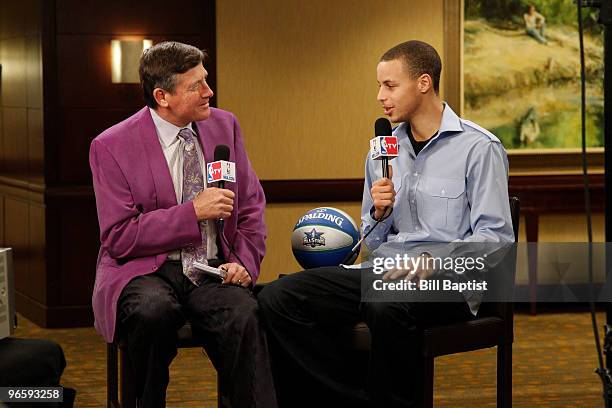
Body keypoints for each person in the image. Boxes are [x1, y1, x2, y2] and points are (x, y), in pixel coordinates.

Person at [258, 40, 514, 408]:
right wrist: (379, 216)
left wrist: (431, 263)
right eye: (379, 86)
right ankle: (349, 398)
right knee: (277, 298)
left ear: (424, 83)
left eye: (390, 86)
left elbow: (495, 241)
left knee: (385, 303)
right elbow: (374, 243)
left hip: (448, 283)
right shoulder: (382, 150)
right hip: (384, 270)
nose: (380, 96)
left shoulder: (478, 147)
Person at [89, 41, 276, 408]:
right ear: (163, 96)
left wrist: (244, 263)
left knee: (244, 314)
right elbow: (118, 237)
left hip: (210, 268)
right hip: (144, 272)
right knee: (152, 312)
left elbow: (251, 206)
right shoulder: (110, 145)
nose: (209, 92)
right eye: (196, 86)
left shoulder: (225, 126)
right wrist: (192, 212)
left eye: (206, 80)